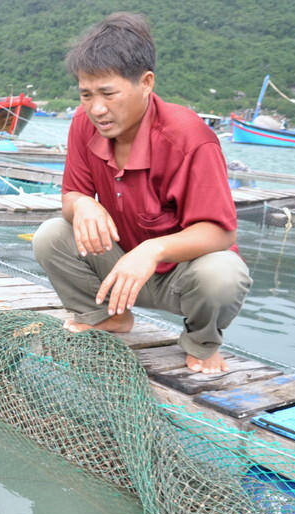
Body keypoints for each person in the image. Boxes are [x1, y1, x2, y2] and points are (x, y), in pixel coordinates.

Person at [33, 12, 251, 374]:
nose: (97, 108)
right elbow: (72, 194)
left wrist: (154, 249)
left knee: (224, 273)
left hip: (181, 279)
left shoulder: (189, 138)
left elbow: (221, 231)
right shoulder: (82, 124)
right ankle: (109, 317)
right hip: (119, 270)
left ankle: (201, 343)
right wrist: (83, 204)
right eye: (86, 94)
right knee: (52, 235)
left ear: (146, 83)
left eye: (108, 93)